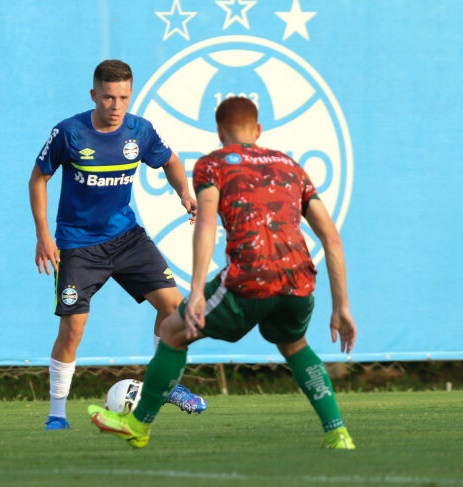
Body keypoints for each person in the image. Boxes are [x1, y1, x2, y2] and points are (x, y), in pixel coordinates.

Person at [88, 96, 357, 449]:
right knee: (295, 345)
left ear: (218, 132)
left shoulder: (213, 165)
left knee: (172, 331)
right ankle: (338, 433)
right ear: (258, 130)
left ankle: (138, 425)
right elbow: (331, 238)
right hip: (299, 282)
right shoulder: (291, 166)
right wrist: (342, 307)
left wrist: (197, 291)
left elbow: (205, 225)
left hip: (250, 278)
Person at [29, 59, 208, 430]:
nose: (115, 106)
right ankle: (57, 414)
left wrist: (184, 193)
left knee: (175, 308)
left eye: (123, 98)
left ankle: (165, 386)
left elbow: (171, 161)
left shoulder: (139, 131)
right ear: (94, 95)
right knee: (73, 329)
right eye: (108, 98)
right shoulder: (69, 132)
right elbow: (38, 179)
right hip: (78, 245)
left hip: (126, 238)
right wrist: (43, 235)